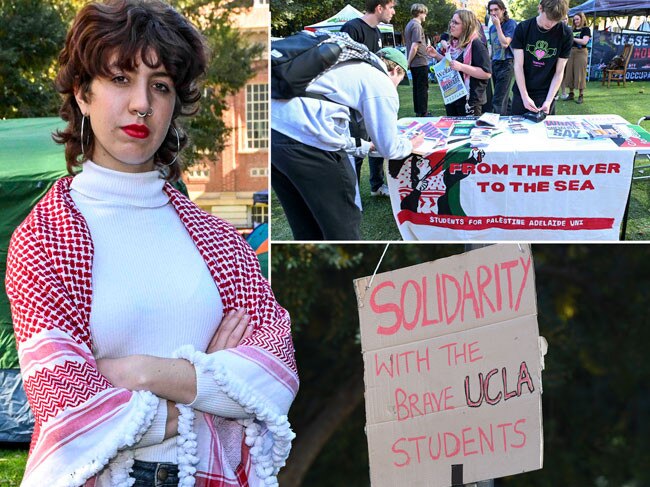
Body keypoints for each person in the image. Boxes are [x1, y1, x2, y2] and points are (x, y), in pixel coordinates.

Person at [5, 1, 298, 486]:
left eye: (159, 86)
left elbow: (277, 372)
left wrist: (138, 371)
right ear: (82, 93)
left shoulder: (217, 239)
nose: (142, 102)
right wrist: (208, 386)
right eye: (121, 78)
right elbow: (68, 408)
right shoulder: (43, 238)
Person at [271, 47, 424, 240]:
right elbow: (389, 148)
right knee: (343, 225)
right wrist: (410, 144)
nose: (395, 88)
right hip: (306, 140)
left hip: (273, 132)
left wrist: (366, 146)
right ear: (395, 71)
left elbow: (329, 130)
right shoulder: (380, 81)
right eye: (398, 82)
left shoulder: (349, 67)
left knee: (305, 225)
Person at [341, 0, 397, 197]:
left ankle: (377, 186)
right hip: (354, 100)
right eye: (391, 7)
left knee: (378, 142)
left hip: (372, 97)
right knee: (356, 149)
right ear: (379, 8)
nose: (394, 12)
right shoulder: (352, 28)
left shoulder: (377, 32)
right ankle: (351, 197)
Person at [510, 0, 573, 115]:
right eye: (548, 19)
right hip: (522, 91)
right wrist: (524, 97)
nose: (551, 24)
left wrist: (549, 100)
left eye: (556, 21)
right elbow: (518, 66)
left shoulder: (566, 34)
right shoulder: (523, 28)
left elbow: (559, 72)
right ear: (540, 8)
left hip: (547, 93)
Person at [427, 10, 492, 116]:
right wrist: (436, 55)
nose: (451, 25)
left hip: (470, 101)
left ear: (466, 26)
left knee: (467, 132)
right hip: (452, 96)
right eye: (451, 22)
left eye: (456, 23)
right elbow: (451, 65)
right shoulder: (453, 45)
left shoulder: (477, 45)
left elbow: (486, 73)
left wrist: (462, 67)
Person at [487, 0, 517, 115]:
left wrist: (498, 26)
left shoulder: (510, 24)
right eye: (491, 11)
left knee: (498, 100)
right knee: (504, 98)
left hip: (506, 63)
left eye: (496, 10)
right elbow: (492, 48)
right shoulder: (491, 28)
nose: (493, 13)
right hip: (495, 64)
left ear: (503, 10)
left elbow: (505, 43)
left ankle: (498, 124)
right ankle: (509, 117)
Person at [405, 3, 430, 117]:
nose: (425, 16)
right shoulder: (417, 26)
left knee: (417, 88)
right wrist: (408, 62)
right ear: (420, 13)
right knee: (422, 89)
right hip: (419, 62)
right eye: (425, 13)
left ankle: (419, 111)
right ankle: (423, 112)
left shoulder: (409, 24)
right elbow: (414, 46)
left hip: (416, 63)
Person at [560, 12, 591, 104]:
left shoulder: (586, 29)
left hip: (581, 52)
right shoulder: (571, 29)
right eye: (574, 19)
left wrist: (572, 38)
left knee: (580, 73)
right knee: (570, 72)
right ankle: (571, 93)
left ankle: (581, 95)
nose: (575, 21)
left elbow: (584, 41)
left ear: (582, 19)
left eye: (577, 19)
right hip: (571, 52)